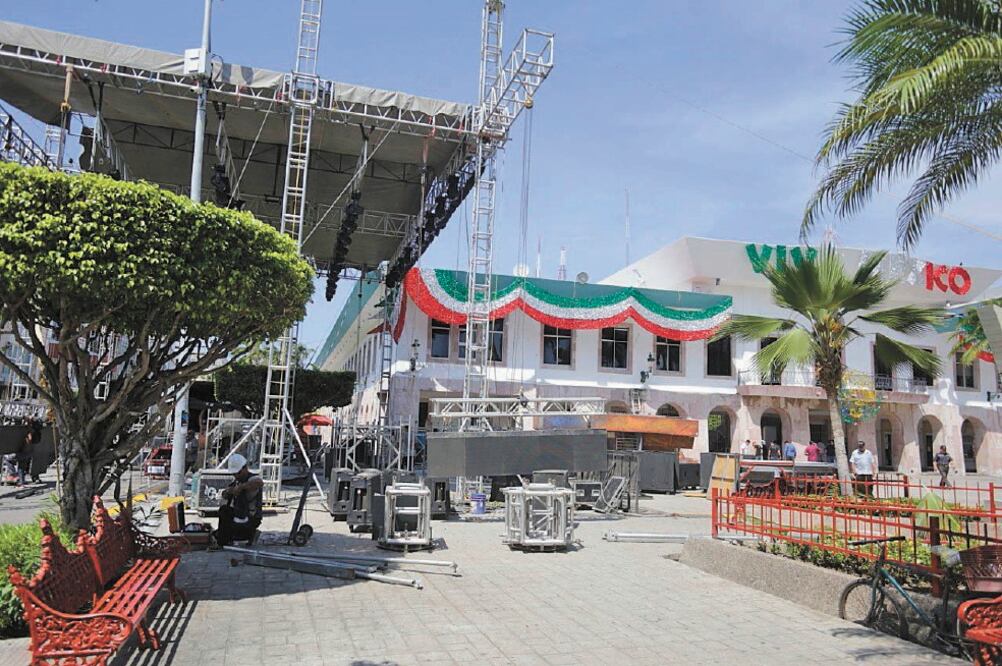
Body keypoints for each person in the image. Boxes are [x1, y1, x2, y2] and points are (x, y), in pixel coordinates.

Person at [211, 454, 264, 548]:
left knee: (225, 513)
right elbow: (226, 494)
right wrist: (228, 492)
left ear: (244, 468)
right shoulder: (237, 481)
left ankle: (226, 540)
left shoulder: (251, 479)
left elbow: (259, 482)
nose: (236, 476)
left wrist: (241, 488)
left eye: (238, 473)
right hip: (239, 517)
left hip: (250, 519)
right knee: (224, 511)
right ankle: (224, 538)